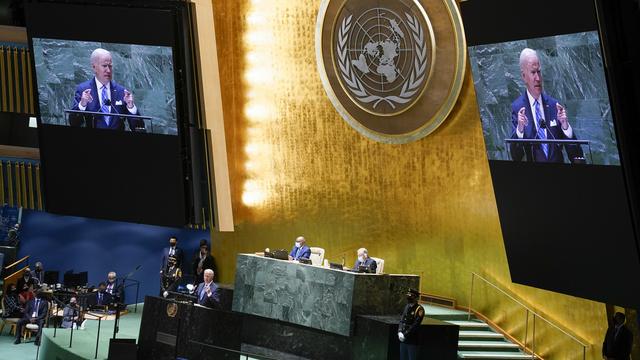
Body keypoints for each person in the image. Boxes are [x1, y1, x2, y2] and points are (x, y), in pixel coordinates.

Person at [510, 48, 584, 163]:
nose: (538, 78)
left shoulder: (554, 105)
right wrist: (520, 130)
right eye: (533, 72)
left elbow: (575, 154)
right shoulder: (517, 108)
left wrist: (565, 127)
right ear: (524, 76)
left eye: (539, 72)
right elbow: (516, 156)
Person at [69, 48, 145, 131]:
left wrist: (131, 107)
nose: (108, 70)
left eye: (110, 66)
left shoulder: (121, 91)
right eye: (104, 66)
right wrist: (82, 105)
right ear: (94, 67)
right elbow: (73, 123)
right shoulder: (83, 90)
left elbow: (138, 127)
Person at [398, 288, 425, 360]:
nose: (409, 297)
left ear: (416, 297)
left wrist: (405, 334)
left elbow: (415, 325)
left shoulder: (419, 309)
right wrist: (400, 331)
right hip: (403, 339)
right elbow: (402, 320)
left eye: (411, 296)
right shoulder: (407, 306)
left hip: (412, 340)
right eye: (408, 295)